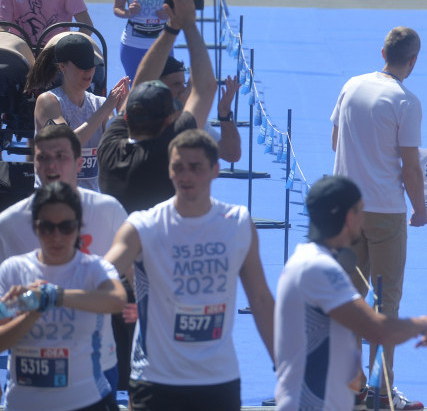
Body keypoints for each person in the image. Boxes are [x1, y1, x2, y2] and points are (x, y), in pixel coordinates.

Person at [103, 129, 274, 411]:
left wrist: (284, 365)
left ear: (216, 170)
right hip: (155, 380)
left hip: (218, 380)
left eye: (195, 167)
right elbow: (102, 273)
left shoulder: (237, 224)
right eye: (178, 167)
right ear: (169, 171)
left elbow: (261, 300)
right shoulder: (144, 225)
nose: (186, 176)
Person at [274, 176, 427, 411]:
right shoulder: (322, 270)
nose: (364, 218)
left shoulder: (309, 260)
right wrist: (422, 324)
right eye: (361, 211)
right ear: (350, 218)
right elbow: (378, 330)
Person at [330, 26, 427, 411]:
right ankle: (381, 393)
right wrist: (420, 209)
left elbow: (335, 140)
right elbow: (410, 168)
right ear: (413, 60)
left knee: (351, 301)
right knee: (385, 305)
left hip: (345, 212)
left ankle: (351, 390)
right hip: (385, 213)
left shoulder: (351, 85)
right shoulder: (406, 101)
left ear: (383, 51)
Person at [0, 124, 130, 396]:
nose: (51, 165)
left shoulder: (108, 211)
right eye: (43, 157)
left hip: (96, 365)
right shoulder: (8, 224)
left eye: (61, 156)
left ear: (79, 163)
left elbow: (132, 282)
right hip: (33, 369)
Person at [98, 0, 216, 214]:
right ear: (168, 120)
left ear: (127, 116)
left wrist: (172, 28)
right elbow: (204, 89)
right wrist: (188, 26)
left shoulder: (110, 147)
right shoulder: (169, 152)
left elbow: (140, 83)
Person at [26, 33, 129, 190]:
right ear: (62, 67)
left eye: (91, 65)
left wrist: (122, 111)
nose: (89, 71)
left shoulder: (99, 104)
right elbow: (65, 143)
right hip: (54, 197)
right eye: (82, 66)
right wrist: (107, 108)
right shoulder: (48, 101)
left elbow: (119, 150)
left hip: (92, 200)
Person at [156, 55, 241, 163]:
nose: (183, 89)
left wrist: (225, 114)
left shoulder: (190, 118)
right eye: (176, 84)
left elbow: (231, 154)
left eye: (184, 84)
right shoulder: (143, 116)